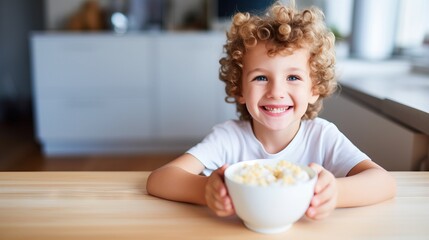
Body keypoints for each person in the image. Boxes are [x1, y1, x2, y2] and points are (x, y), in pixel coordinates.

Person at [146, 1, 396, 220]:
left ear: (314, 89)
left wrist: (333, 193)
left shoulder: (323, 137)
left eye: (293, 78)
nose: (276, 92)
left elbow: (383, 182)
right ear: (239, 88)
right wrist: (208, 190)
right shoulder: (228, 138)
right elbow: (160, 179)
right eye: (261, 78)